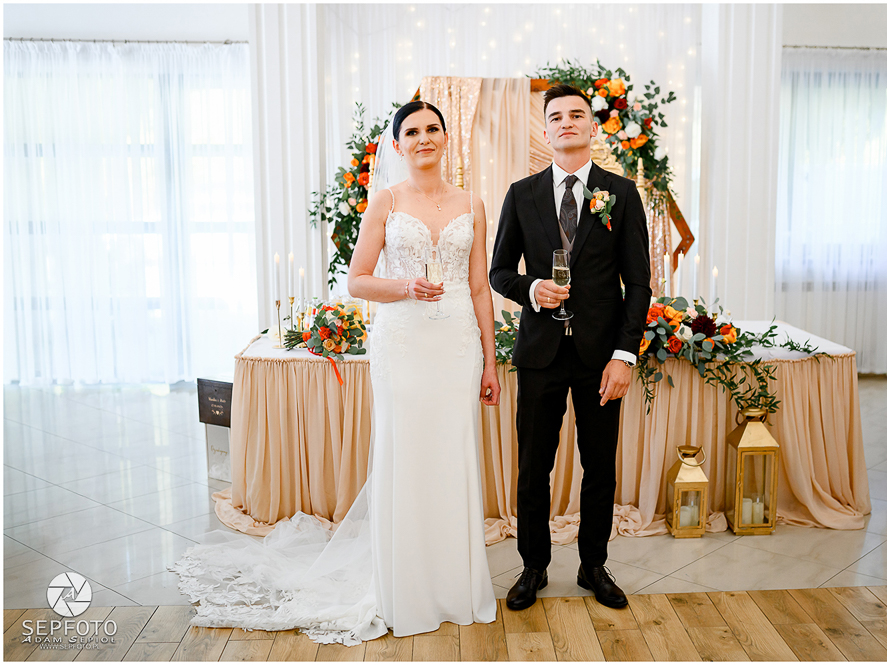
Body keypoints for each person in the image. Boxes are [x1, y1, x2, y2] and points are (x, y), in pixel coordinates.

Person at [170, 101, 500, 644]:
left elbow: (481, 286)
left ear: (446, 138)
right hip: (405, 344)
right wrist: (405, 287)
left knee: (452, 454)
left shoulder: (473, 203)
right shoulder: (386, 201)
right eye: (412, 131)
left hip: (457, 346)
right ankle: (405, 586)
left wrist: (489, 360)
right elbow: (358, 280)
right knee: (406, 455)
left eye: (432, 129)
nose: (423, 138)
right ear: (398, 145)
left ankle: (454, 584)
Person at [489, 83, 651, 611]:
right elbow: (498, 272)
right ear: (545, 131)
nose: (566, 122)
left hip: (600, 358)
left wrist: (624, 356)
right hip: (540, 354)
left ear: (592, 127)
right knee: (534, 466)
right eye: (556, 116)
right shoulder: (522, 194)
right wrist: (532, 288)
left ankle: (593, 564)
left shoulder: (621, 193)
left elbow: (638, 284)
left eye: (576, 114)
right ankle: (533, 565)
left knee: (599, 466)